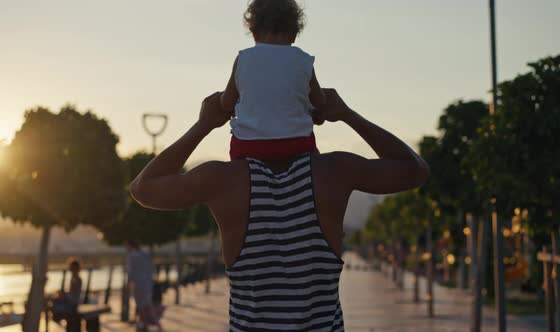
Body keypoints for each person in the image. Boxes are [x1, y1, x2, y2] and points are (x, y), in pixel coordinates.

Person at [130, 89, 430, 331]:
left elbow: (143, 189)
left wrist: (204, 124)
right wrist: (348, 115)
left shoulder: (223, 180)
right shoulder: (333, 172)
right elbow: (414, 170)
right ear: (307, 113)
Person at [221, 0, 326, 161]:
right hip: (297, 145)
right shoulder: (303, 60)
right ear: (294, 33)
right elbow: (320, 102)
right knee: (315, 161)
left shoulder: (243, 58)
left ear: (253, 31)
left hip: (248, 146)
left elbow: (227, 103)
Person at [126, 241, 163, 330]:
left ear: (130, 246)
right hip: (148, 282)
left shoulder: (132, 255)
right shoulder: (145, 254)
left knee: (141, 304)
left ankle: (148, 323)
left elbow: (131, 271)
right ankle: (148, 323)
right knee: (146, 303)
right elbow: (151, 268)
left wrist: (128, 283)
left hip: (139, 283)